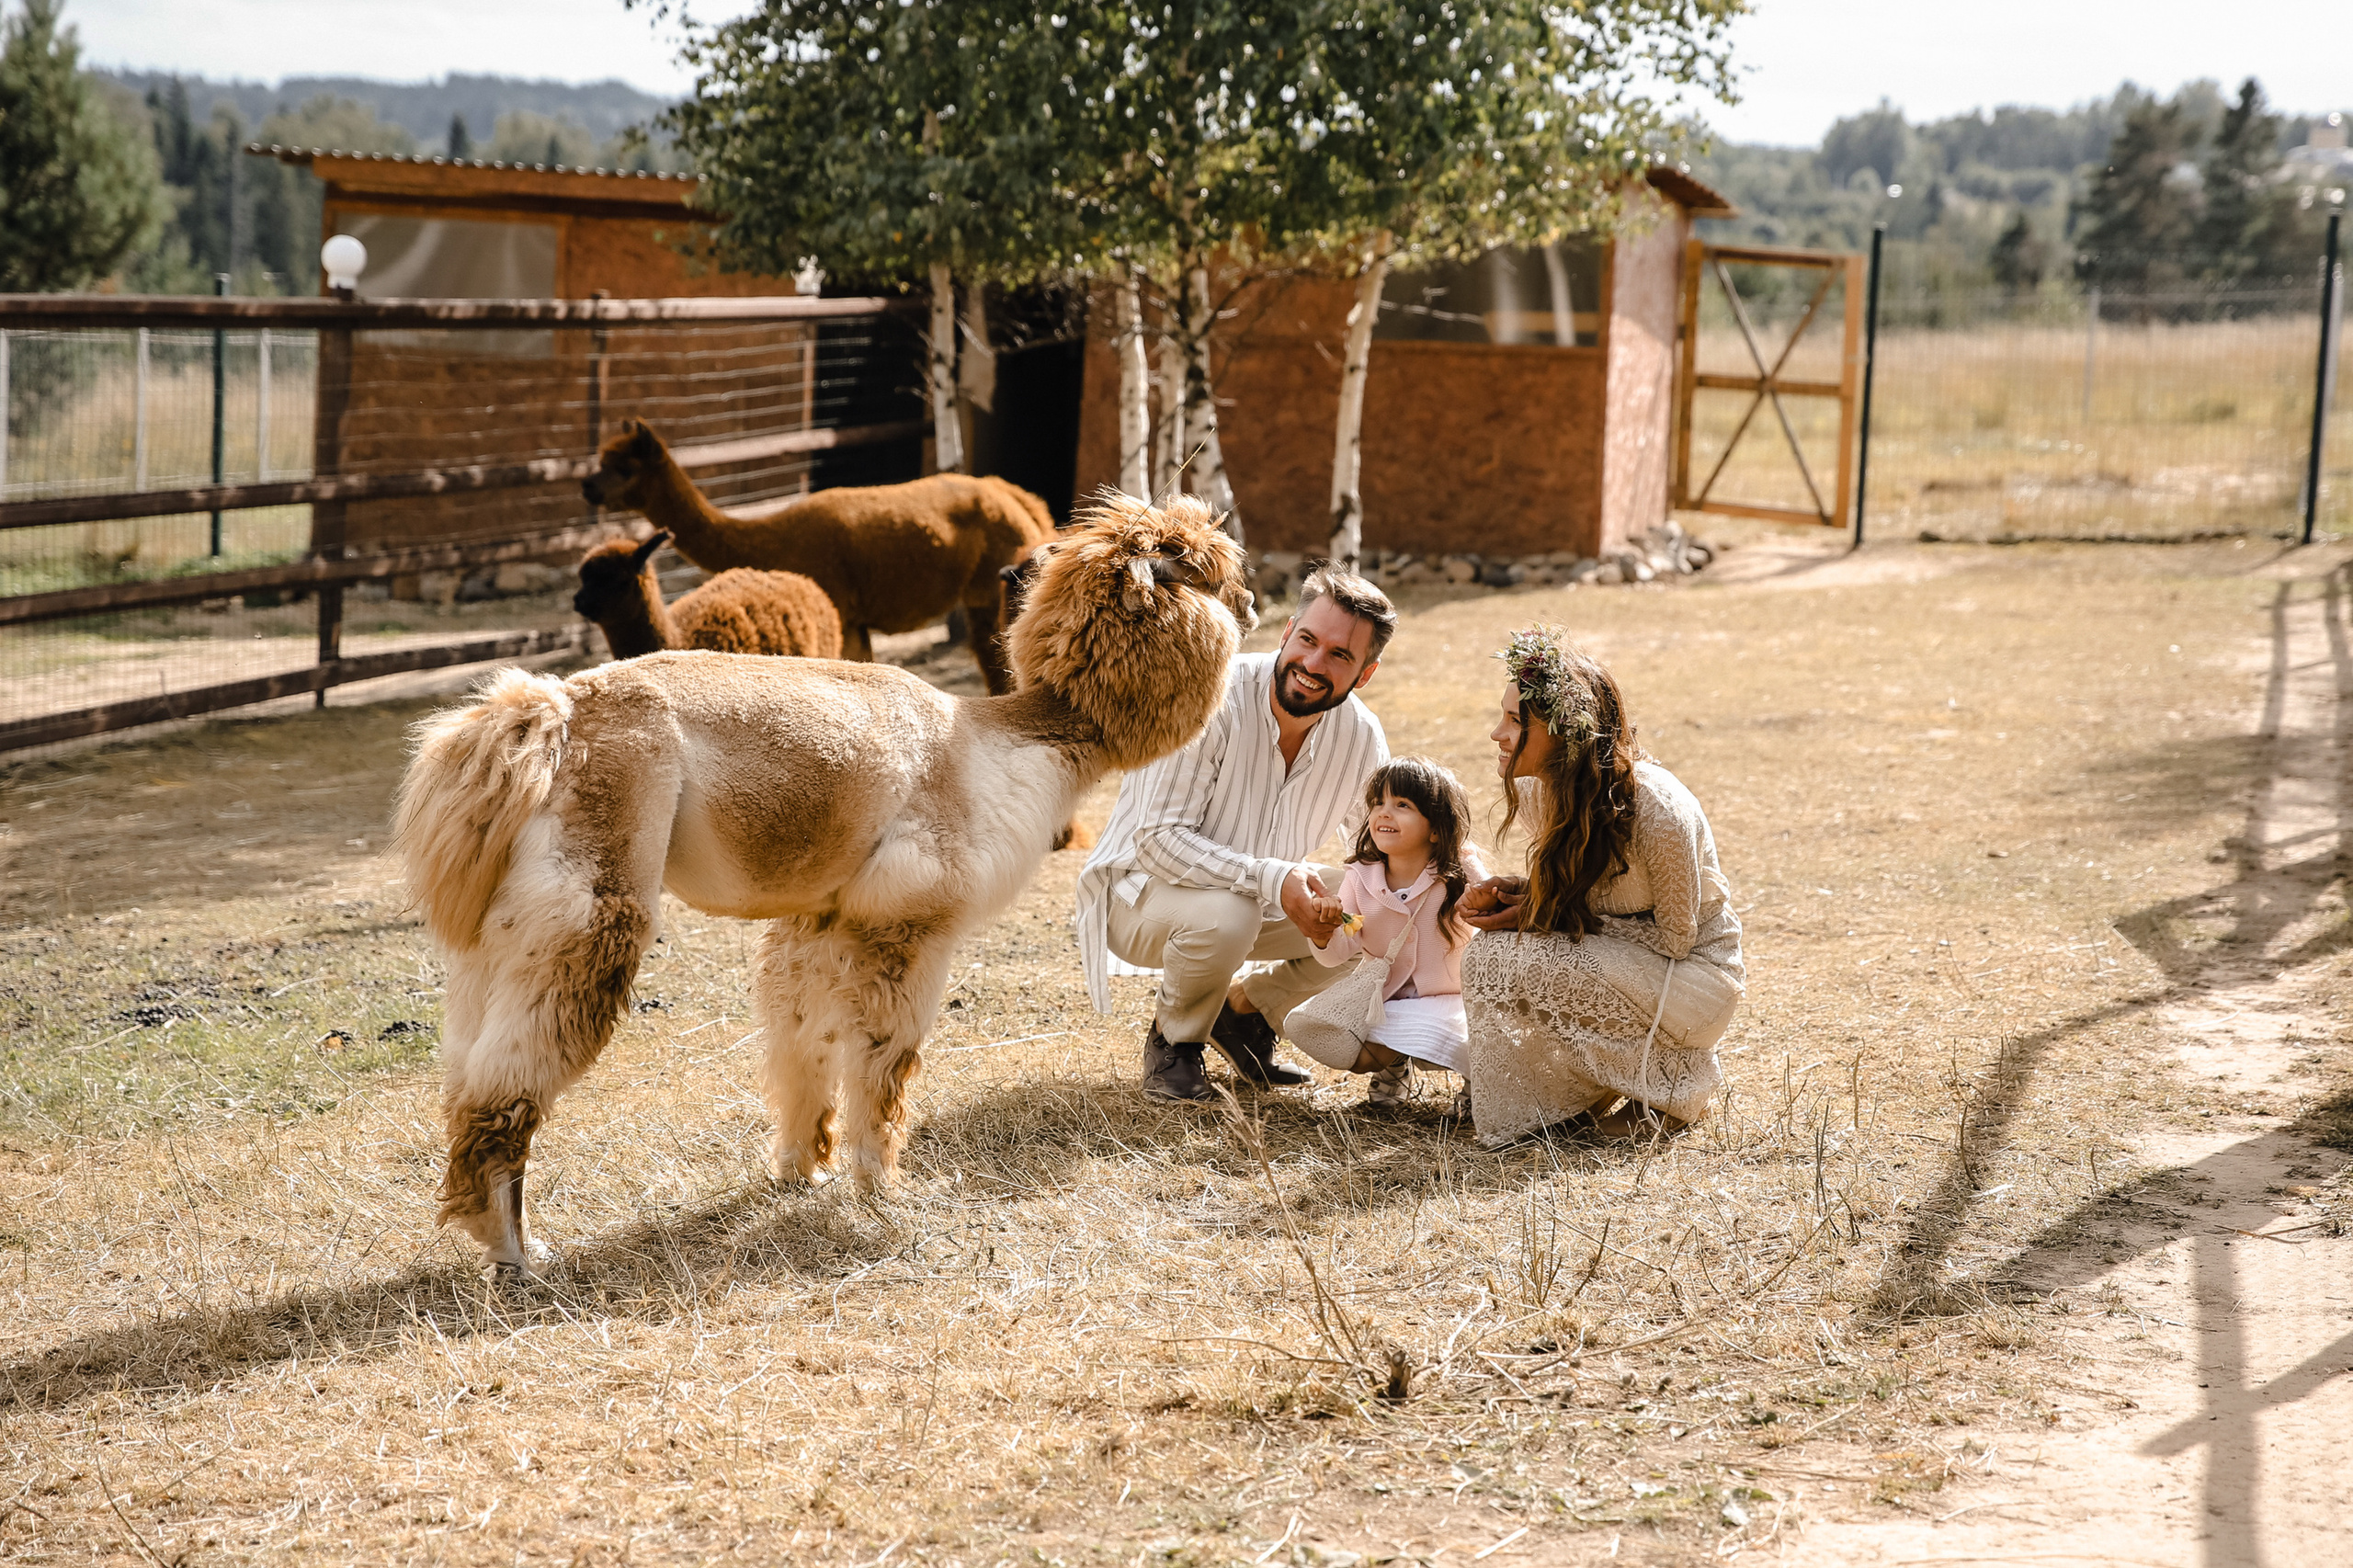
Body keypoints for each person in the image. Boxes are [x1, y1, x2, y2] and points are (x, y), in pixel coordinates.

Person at [1077, 563, 1395, 1101]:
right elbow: (1155, 840)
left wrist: (1451, 890)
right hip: (1135, 897)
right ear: (1287, 632)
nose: (1313, 664)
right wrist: (1272, 879)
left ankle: (1245, 1015)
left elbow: (1382, 849)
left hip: (1254, 901)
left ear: (1364, 673)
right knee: (1231, 912)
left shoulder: (1361, 735)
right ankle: (1174, 1043)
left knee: (1385, 911)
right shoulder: (1214, 698)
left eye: (1340, 655)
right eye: (1308, 640)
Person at [1458, 627, 1744, 1144]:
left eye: (1516, 721)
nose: (1496, 733)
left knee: (1526, 955)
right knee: (1489, 954)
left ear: (1567, 735)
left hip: (1694, 980)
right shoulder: (1539, 793)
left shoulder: (1658, 811)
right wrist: (1523, 896)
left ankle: (1675, 1089)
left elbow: (1674, 939)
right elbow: (1589, 895)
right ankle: (1560, 1103)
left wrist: (1548, 916)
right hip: (1629, 964)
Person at [1299, 756, 1485, 1107]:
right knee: (1356, 1053)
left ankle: (1479, 1085)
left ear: (1435, 828)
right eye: (1377, 803)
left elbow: (1492, 906)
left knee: (1476, 1042)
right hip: (1388, 1003)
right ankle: (1394, 1061)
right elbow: (1341, 948)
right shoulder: (1359, 877)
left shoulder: (1459, 867)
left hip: (1452, 1000)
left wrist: (1482, 900)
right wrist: (1324, 930)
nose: (1384, 812)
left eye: (1402, 805)